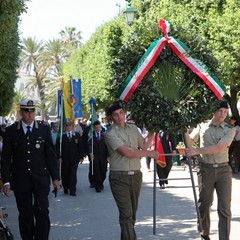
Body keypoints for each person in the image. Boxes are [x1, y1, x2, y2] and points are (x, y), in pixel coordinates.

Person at [1, 99, 60, 240]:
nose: (30, 114)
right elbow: (6, 158)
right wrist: (6, 181)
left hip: (41, 177)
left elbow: (51, 156)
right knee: (25, 213)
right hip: (21, 179)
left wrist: (56, 178)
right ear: (21, 112)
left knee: (42, 211)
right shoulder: (10, 131)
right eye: (27, 111)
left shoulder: (44, 129)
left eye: (32, 111)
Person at [104, 100, 159, 240]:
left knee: (132, 215)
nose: (119, 116)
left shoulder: (133, 129)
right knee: (126, 214)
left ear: (125, 112)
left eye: (121, 112)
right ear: (111, 118)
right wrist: (149, 154)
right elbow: (127, 153)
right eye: (115, 115)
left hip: (136, 176)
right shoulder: (110, 133)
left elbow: (144, 145)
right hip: (119, 177)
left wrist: (153, 130)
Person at [185, 101, 235, 240]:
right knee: (205, 204)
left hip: (223, 170)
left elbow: (219, 148)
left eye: (225, 112)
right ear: (214, 111)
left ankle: (224, 238)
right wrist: (185, 131)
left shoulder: (230, 129)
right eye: (220, 111)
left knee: (224, 207)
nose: (222, 114)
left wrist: (196, 151)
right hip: (205, 169)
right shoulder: (202, 126)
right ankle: (204, 234)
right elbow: (190, 142)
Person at [56, 118, 84, 196]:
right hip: (64, 160)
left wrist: (81, 157)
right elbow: (58, 148)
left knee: (73, 175)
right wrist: (59, 157)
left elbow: (80, 147)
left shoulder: (76, 135)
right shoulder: (61, 137)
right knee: (65, 175)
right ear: (64, 127)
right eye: (66, 125)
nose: (68, 127)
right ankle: (66, 187)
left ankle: (72, 190)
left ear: (72, 126)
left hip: (74, 159)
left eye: (69, 125)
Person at [88, 120, 109, 192]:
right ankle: (98, 187)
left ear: (100, 127)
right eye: (96, 127)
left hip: (103, 158)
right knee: (96, 173)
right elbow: (90, 145)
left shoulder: (104, 136)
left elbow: (107, 146)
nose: (97, 129)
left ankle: (101, 183)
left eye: (99, 127)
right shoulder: (92, 136)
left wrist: (108, 156)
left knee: (103, 172)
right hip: (95, 158)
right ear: (94, 128)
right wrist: (90, 152)